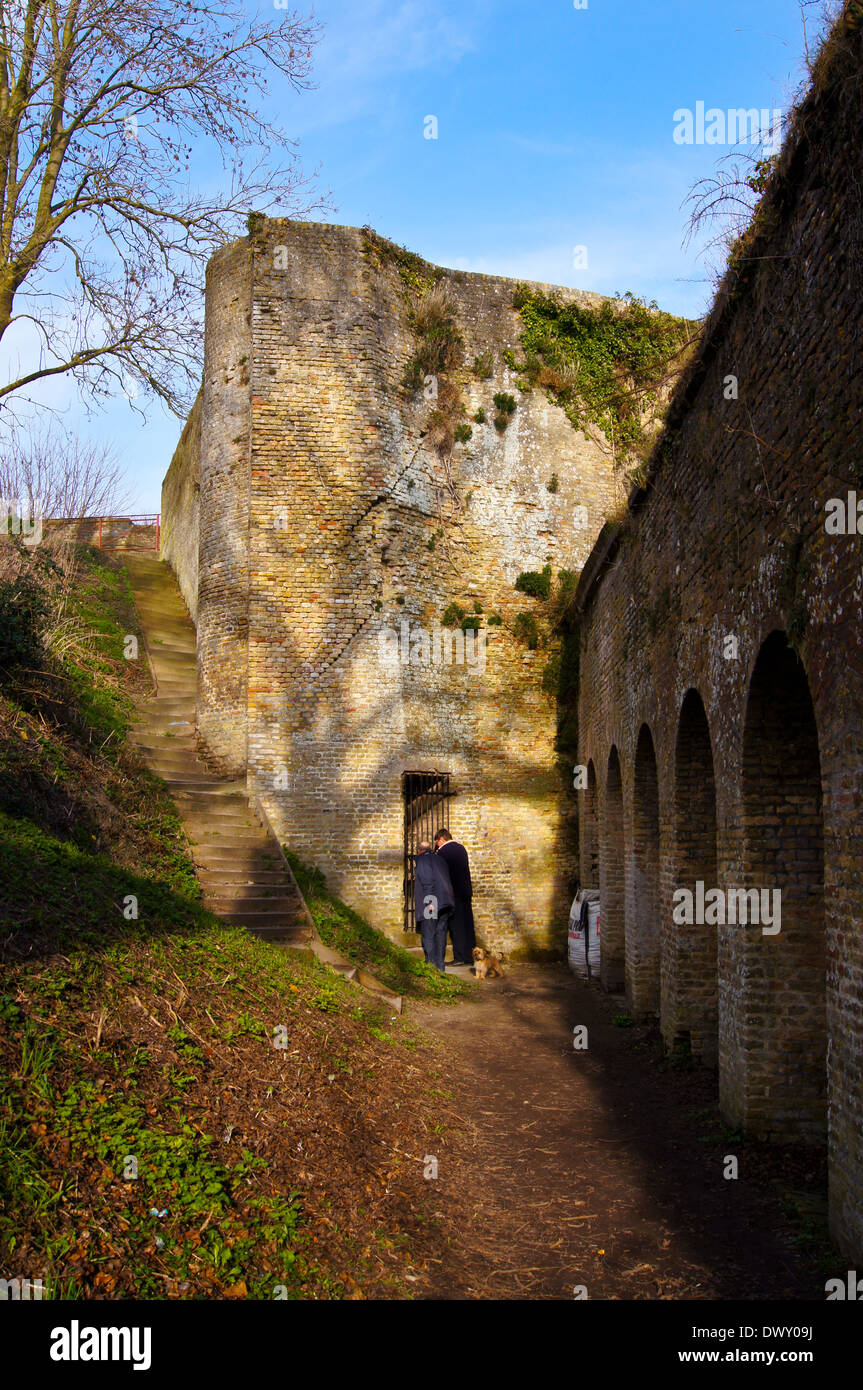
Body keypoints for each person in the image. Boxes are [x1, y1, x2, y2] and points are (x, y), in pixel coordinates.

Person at [434, 827, 476, 966]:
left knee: (456, 925)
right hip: (465, 891)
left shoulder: (443, 851)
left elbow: (439, 872)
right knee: (467, 923)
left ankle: (460, 957)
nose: (437, 845)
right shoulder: (461, 848)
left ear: (441, 839)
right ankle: (470, 955)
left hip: (454, 893)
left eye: (437, 842)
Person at [413, 840, 454, 973]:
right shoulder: (439, 859)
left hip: (432, 902)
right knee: (441, 934)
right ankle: (440, 966)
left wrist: (430, 903)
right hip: (445, 901)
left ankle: (431, 967)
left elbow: (428, 882)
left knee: (429, 933)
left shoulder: (422, 861)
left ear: (419, 851)